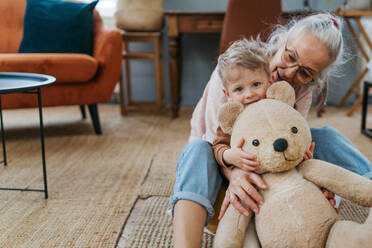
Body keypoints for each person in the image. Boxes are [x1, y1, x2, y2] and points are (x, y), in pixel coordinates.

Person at [171, 13, 372, 248]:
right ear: (281, 40)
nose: (289, 73)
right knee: (197, 149)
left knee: (325, 136)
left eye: (305, 73)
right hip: (216, 170)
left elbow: (291, 141)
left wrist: (316, 182)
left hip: (271, 179)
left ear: (315, 79)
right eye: (290, 56)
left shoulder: (300, 89)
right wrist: (235, 175)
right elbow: (211, 141)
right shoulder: (234, 70)